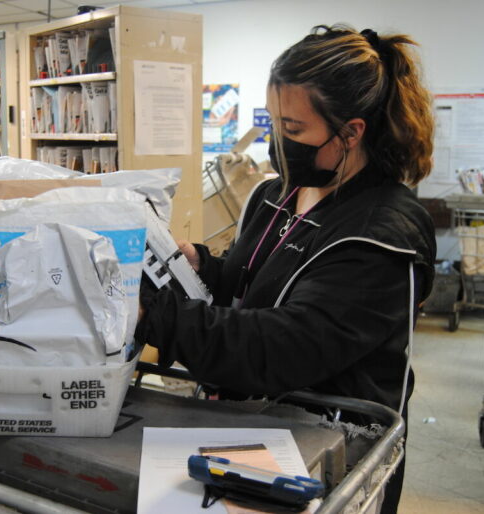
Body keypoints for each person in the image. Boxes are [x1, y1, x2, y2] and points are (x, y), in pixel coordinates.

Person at [135, 24, 436, 513]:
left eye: (293, 129)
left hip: (333, 455)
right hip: (257, 428)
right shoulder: (275, 195)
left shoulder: (382, 237)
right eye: (274, 122)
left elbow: (280, 347)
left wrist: (155, 316)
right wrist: (202, 266)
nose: (277, 141)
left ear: (351, 132)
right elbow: (249, 284)